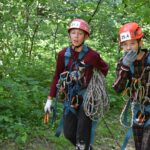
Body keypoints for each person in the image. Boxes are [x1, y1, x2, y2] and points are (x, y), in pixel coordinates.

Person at [44, 18, 109, 150]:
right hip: (70, 98)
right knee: (68, 133)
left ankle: (82, 146)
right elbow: (57, 76)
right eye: (73, 33)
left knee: (82, 135)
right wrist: (49, 99)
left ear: (85, 36)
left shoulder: (92, 56)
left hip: (87, 98)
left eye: (80, 33)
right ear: (69, 34)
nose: (76, 36)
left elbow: (104, 68)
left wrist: (95, 82)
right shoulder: (63, 54)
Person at [113, 22, 150, 150]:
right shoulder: (123, 64)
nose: (128, 48)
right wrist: (125, 66)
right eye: (125, 44)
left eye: (132, 43)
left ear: (140, 43)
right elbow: (118, 88)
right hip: (138, 111)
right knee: (140, 146)